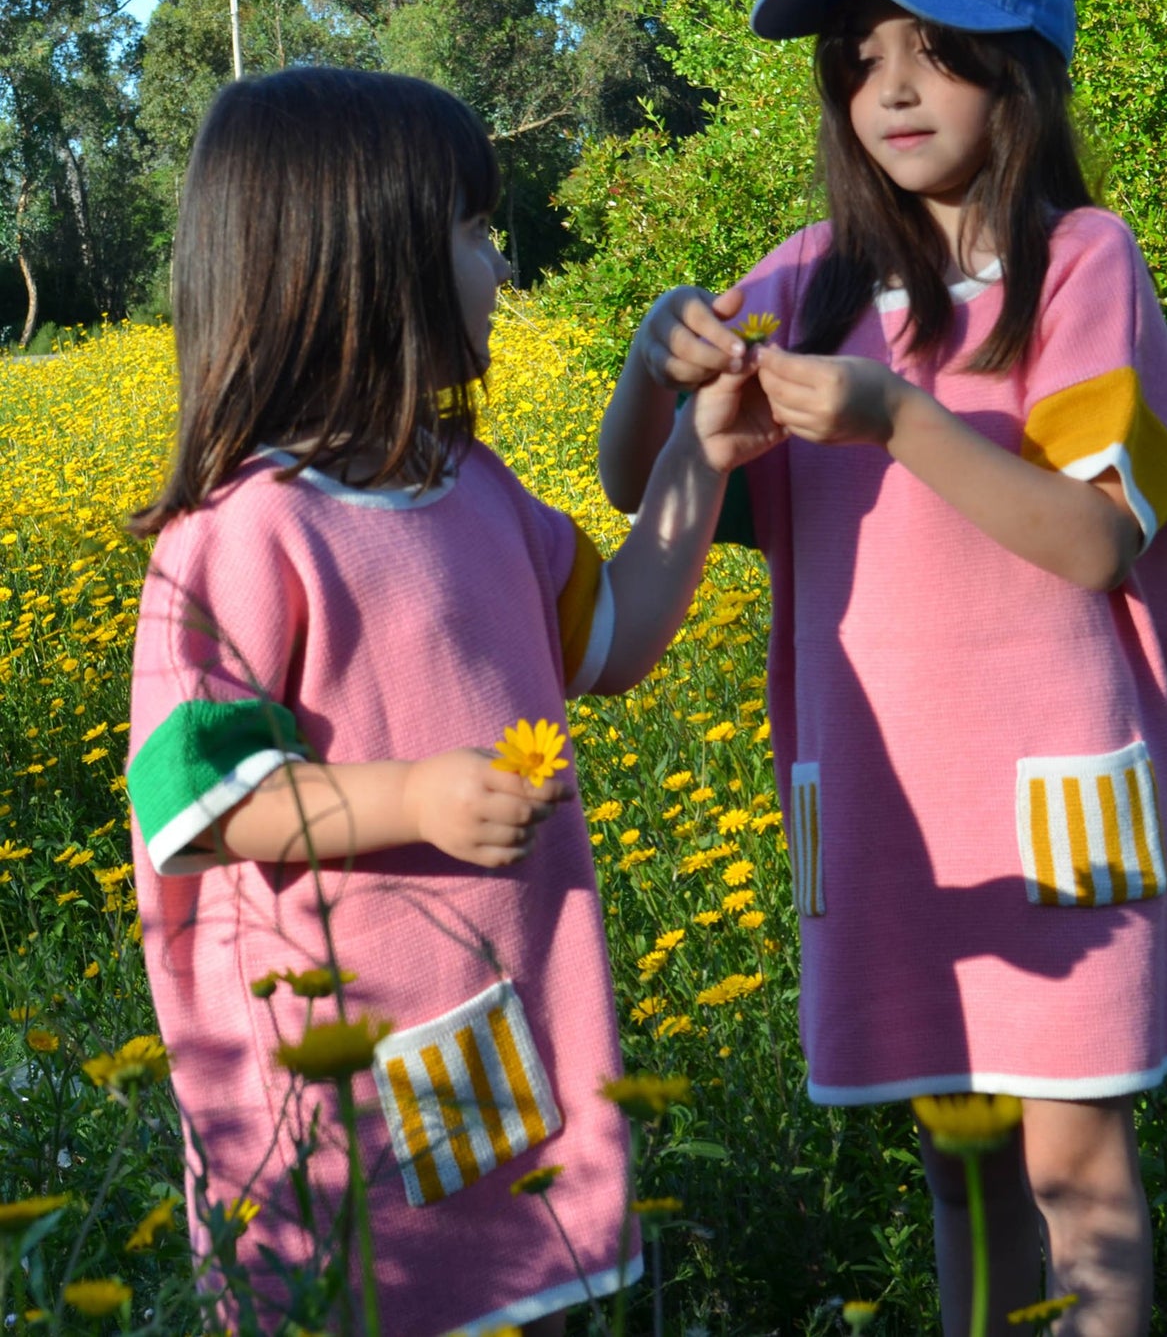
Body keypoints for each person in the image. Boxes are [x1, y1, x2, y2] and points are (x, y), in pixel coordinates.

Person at [597, 0, 1167, 1332]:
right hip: (886, 815)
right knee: (960, 1165)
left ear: (1024, 75)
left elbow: (1090, 541)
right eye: (861, 54)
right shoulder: (803, 281)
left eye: (933, 50)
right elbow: (646, 480)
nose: (888, 85)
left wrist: (898, 419)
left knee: (1074, 1163)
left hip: (1055, 814)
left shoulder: (1081, 266)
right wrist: (649, 366)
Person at [125, 67, 779, 1337]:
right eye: (474, 232)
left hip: (502, 1026)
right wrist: (413, 794)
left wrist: (698, 451)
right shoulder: (241, 532)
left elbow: (621, 631)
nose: (499, 264)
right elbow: (194, 795)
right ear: (357, 264)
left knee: (512, 1284)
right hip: (336, 1078)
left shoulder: (472, 488)